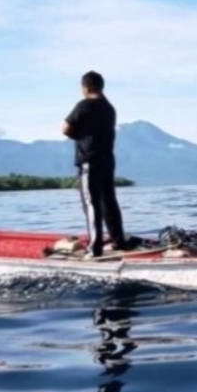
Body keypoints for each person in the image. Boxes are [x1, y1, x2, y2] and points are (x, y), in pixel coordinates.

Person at [61, 70, 128, 258]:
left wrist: (79, 135)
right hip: (107, 160)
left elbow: (64, 128)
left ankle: (94, 248)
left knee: (91, 203)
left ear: (85, 88)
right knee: (109, 201)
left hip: (89, 161)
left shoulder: (84, 105)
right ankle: (118, 240)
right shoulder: (109, 108)